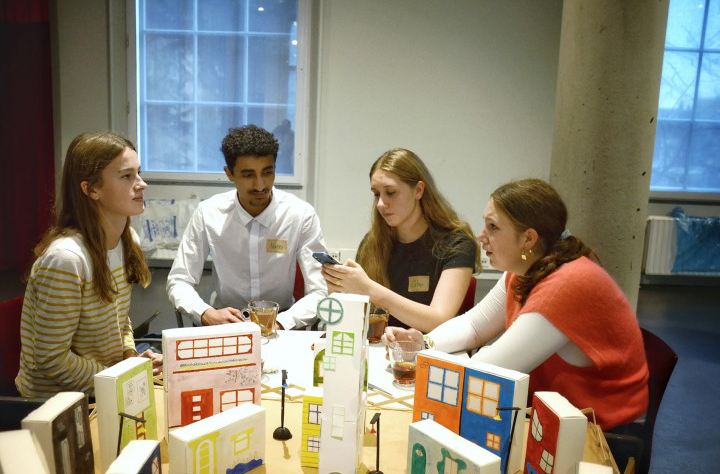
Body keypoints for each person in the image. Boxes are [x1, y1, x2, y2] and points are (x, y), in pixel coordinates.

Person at [385, 178, 649, 431]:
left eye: (493, 227)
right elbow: (474, 326)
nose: (481, 236)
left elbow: (488, 370)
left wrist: (423, 362)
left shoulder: (567, 285)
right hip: (559, 418)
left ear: (528, 239)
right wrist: (423, 344)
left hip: (603, 435)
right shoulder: (526, 267)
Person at [16, 132, 162, 398]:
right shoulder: (66, 259)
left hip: (103, 387)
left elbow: (118, 320)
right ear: (91, 189)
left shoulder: (128, 240)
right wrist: (120, 376)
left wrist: (130, 356)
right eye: (126, 176)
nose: (142, 184)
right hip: (57, 403)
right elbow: (51, 359)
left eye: (138, 173)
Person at [167, 124, 328, 329]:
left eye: (267, 172)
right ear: (229, 173)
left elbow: (320, 290)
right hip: (224, 323)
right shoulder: (208, 213)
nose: (260, 185)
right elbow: (179, 280)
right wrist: (206, 313)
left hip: (282, 324)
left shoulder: (300, 215)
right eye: (248, 175)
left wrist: (280, 322)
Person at [322, 148, 481, 333]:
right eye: (376, 194)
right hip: (379, 347)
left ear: (418, 191)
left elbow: (438, 320)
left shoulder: (457, 244)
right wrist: (339, 294)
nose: (381, 204)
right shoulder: (371, 243)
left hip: (430, 349)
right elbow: (358, 323)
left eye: (391, 192)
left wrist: (369, 289)